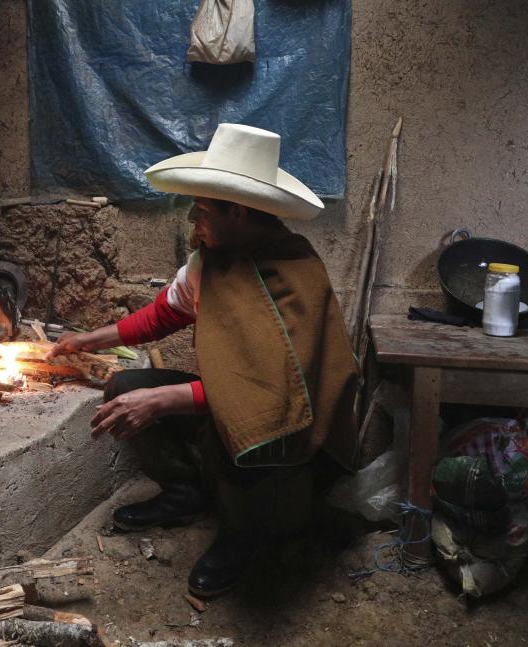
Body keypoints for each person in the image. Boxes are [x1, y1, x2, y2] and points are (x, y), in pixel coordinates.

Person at [49, 123, 358, 597]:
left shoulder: (297, 271)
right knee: (127, 387)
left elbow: (270, 398)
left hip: (286, 426)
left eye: (201, 211)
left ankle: (241, 536)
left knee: (236, 427)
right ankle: (184, 493)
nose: (194, 222)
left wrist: (163, 400)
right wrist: (88, 340)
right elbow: (163, 314)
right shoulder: (210, 259)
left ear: (236, 211)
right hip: (242, 400)